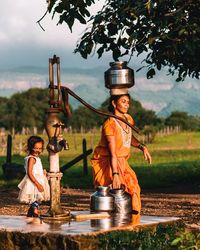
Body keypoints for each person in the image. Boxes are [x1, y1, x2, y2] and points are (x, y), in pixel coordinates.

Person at [91, 92, 152, 215]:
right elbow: (112, 152)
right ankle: (112, 225)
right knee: (115, 192)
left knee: (133, 187)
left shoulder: (128, 118)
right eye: (123, 102)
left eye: (128, 102)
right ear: (114, 103)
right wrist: (115, 174)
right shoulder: (110, 125)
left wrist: (142, 147)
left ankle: (133, 221)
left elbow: (129, 137)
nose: (127, 105)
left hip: (122, 161)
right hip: (108, 162)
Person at [18, 136, 50, 217]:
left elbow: (36, 169)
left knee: (37, 198)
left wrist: (42, 172)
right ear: (31, 147)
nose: (38, 150)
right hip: (33, 182)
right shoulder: (31, 159)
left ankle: (30, 215)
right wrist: (37, 184)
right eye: (36, 148)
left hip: (39, 180)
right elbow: (29, 172)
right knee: (36, 199)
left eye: (40, 148)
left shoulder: (37, 158)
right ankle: (35, 214)